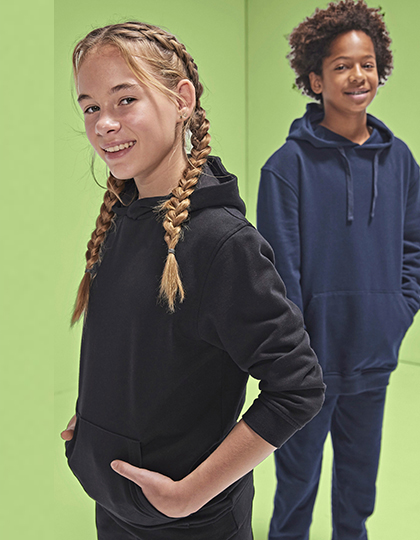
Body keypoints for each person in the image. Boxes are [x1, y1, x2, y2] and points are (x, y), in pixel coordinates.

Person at [59, 21, 325, 540]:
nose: (104, 124)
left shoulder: (223, 243)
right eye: (90, 107)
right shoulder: (122, 218)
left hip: (191, 525)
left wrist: (189, 495)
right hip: (115, 506)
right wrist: (92, 424)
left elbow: (297, 387)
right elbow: (137, 349)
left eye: (125, 100)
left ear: (182, 100)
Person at [257, 1, 420, 539]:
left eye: (367, 64)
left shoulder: (401, 161)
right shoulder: (286, 167)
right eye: (342, 66)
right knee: (296, 486)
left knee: (358, 490)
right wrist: (296, 354)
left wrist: (398, 310)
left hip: (374, 354)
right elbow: (280, 272)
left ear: (380, 70)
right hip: (309, 367)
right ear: (315, 79)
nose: (358, 76)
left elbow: (414, 246)